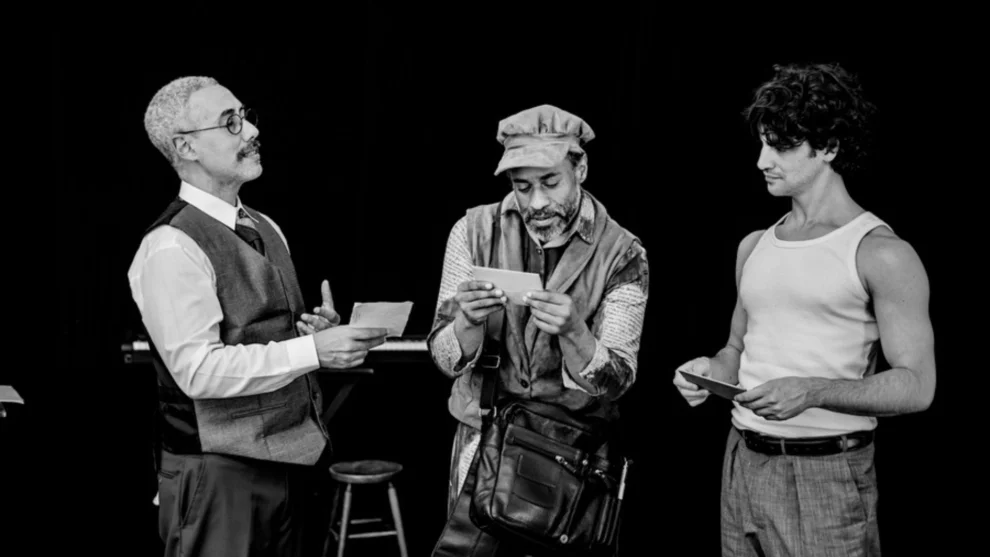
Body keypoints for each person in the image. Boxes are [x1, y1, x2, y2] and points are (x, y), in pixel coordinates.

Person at [672, 62, 936, 556]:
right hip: (742, 460)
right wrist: (708, 371)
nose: (762, 161)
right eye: (762, 144)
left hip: (826, 474)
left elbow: (918, 386)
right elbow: (735, 350)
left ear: (829, 147)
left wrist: (812, 392)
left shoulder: (880, 253)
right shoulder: (754, 245)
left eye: (781, 146)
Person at [128, 75, 389, 557]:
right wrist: (310, 350)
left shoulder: (266, 227)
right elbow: (198, 371)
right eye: (230, 122)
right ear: (186, 147)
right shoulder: (170, 246)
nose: (250, 130)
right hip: (218, 476)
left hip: (292, 465)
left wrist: (313, 338)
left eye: (245, 116)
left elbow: (266, 338)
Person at [427, 104, 650, 554]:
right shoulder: (471, 231)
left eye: (550, 182)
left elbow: (618, 381)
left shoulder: (624, 253)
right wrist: (467, 321)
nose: (536, 203)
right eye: (522, 186)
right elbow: (445, 359)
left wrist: (575, 333)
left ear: (580, 169)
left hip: (571, 458)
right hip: (483, 444)